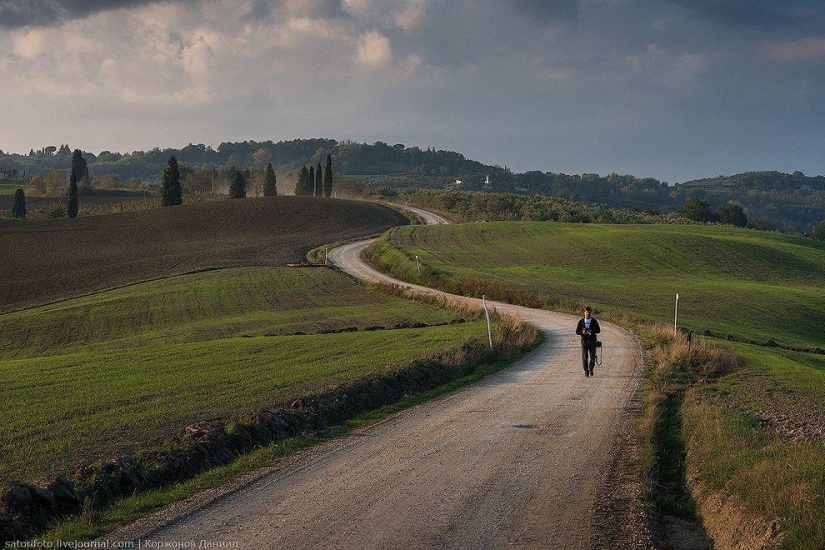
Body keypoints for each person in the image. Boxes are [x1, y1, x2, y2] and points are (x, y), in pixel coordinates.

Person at [575, 306, 601, 377]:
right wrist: (582, 332)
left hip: (592, 341)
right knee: (585, 356)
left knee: (592, 356)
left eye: (589, 312)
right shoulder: (581, 322)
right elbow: (577, 331)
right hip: (584, 341)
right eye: (587, 312)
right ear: (584, 312)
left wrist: (591, 331)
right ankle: (586, 371)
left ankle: (591, 368)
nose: (588, 313)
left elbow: (598, 330)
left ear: (591, 313)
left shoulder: (594, 321)